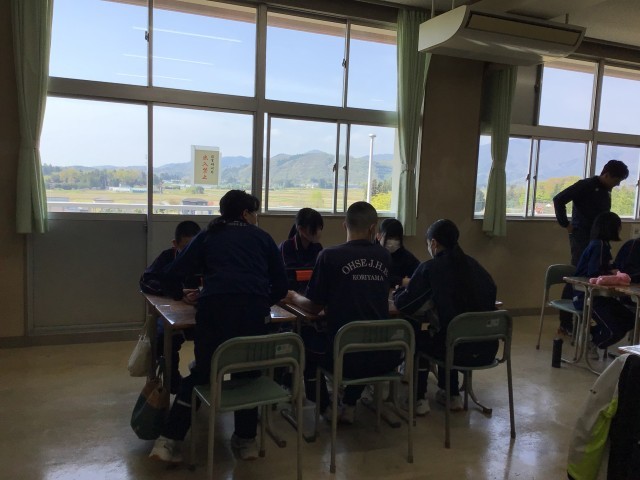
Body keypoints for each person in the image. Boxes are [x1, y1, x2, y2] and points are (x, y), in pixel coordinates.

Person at [149, 190, 288, 464]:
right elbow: (282, 287)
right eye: (254, 213)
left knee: (203, 373)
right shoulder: (263, 238)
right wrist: (260, 301)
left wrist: (182, 295)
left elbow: (172, 273)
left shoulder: (208, 236)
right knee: (248, 374)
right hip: (254, 318)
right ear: (246, 214)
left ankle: (167, 441)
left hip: (214, 316)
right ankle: (246, 441)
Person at [284, 201, 402, 424]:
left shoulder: (329, 256)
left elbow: (313, 306)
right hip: (383, 355)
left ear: (344, 225)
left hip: (342, 357)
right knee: (363, 339)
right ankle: (349, 403)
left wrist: (292, 297)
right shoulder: (385, 256)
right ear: (373, 228)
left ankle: (325, 407)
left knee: (305, 343)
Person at [393, 219, 498, 415]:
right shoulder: (475, 266)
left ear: (433, 243)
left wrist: (398, 292)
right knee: (448, 332)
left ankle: (418, 399)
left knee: (420, 336)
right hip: (487, 349)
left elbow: (406, 305)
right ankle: (452, 395)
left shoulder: (431, 268)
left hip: (455, 350)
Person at [553, 159, 629, 335]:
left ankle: (593, 318)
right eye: (616, 180)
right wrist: (566, 224)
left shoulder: (606, 191)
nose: (617, 184)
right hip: (582, 238)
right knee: (578, 276)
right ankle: (566, 322)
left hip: (599, 239)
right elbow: (559, 199)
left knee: (598, 273)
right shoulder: (586, 185)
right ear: (607, 175)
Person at [139, 220, 202, 394]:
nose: (190, 253)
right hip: (173, 313)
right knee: (163, 338)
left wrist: (199, 294)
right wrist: (176, 292)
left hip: (199, 313)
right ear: (175, 244)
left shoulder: (206, 257)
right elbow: (146, 281)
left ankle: (200, 376)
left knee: (211, 335)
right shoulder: (167, 257)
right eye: (185, 247)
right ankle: (172, 382)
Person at [573, 211, 634, 357]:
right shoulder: (598, 245)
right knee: (614, 330)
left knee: (630, 319)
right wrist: (613, 274)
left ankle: (592, 334)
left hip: (602, 296)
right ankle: (592, 342)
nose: (619, 229)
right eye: (618, 226)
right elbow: (594, 273)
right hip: (587, 296)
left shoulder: (603, 245)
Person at [279, 207, 324, 292]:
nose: (318, 232)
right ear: (301, 229)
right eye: (315, 228)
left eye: (320, 228)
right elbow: (290, 275)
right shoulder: (286, 246)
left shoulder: (318, 247)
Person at [377, 218, 420, 288]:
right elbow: (374, 277)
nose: (392, 243)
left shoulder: (406, 257)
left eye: (396, 239)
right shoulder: (371, 254)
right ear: (378, 236)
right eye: (389, 238)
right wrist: (401, 281)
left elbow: (419, 275)